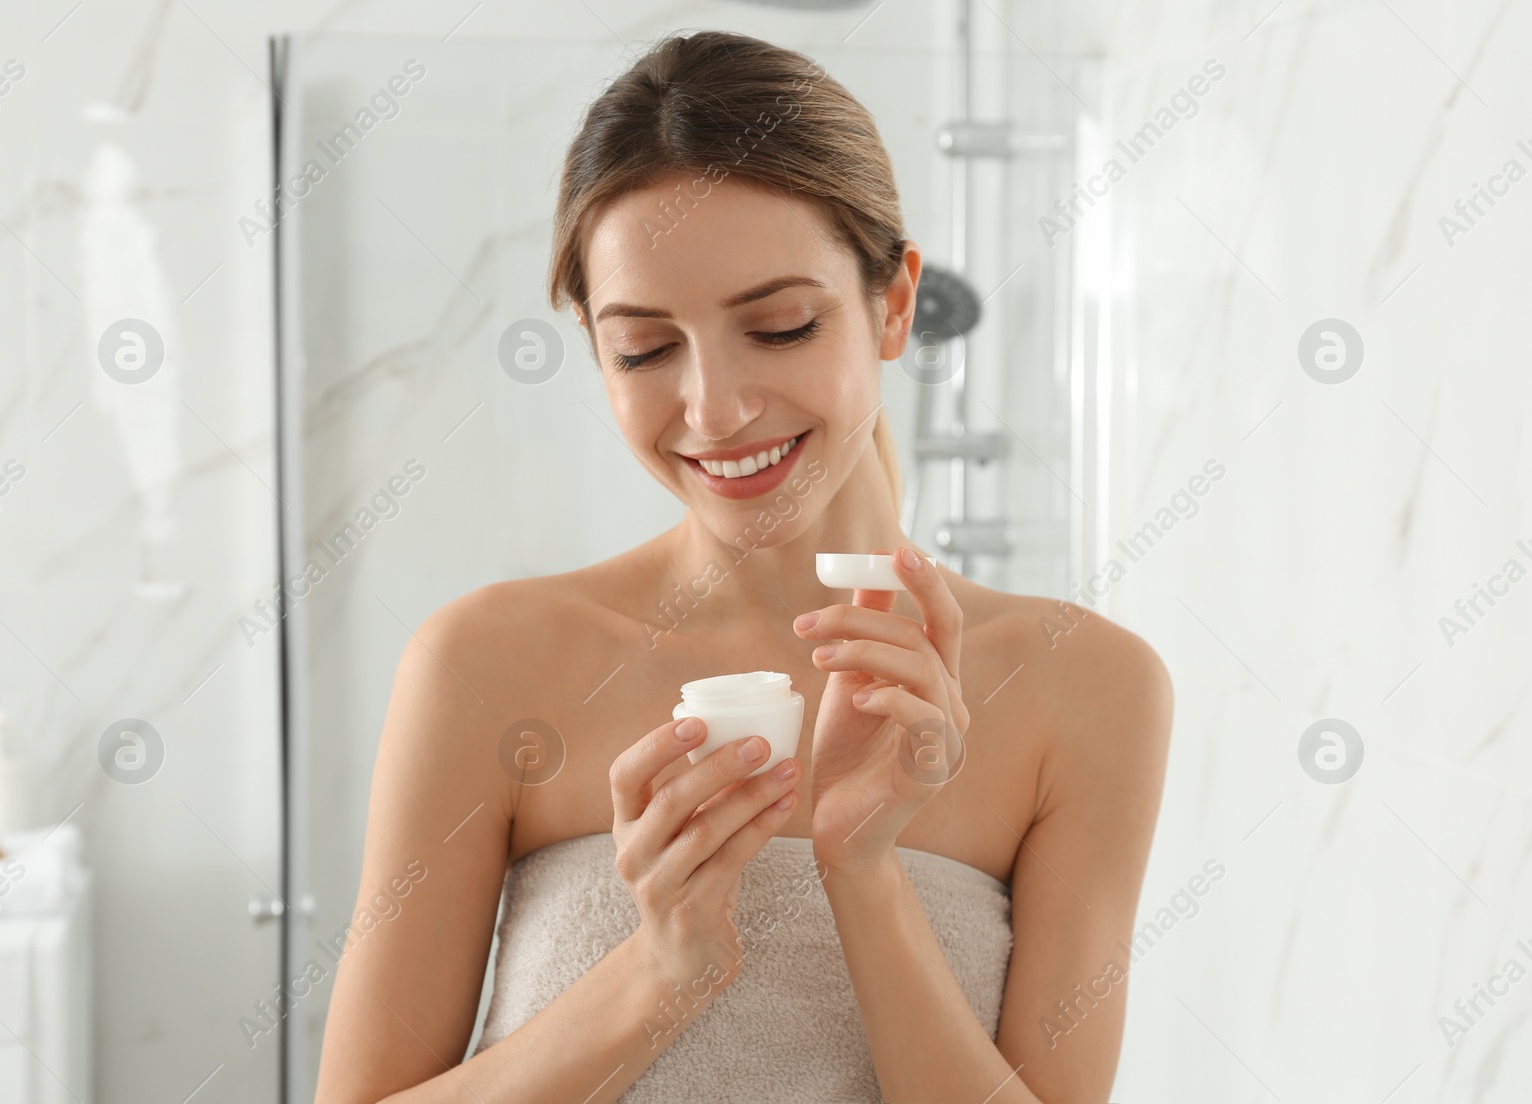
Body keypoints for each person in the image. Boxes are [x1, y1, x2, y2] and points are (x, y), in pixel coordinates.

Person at [315, 29, 1171, 1104]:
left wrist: (863, 874)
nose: (713, 410)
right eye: (644, 349)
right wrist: (658, 974)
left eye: (779, 326)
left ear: (893, 304)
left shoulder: (1080, 688)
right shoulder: (486, 665)